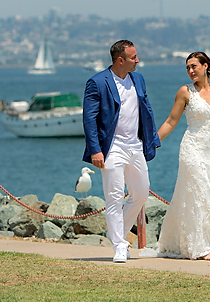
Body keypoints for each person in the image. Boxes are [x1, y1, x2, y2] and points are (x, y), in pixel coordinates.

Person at [155, 52, 210, 260]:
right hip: (191, 149)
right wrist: (152, 142)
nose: (190, 71)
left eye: (194, 66)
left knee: (209, 195)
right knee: (198, 194)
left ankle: (202, 242)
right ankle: (200, 247)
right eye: (187, 68)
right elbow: (171, 121)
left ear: (206, 66)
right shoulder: (185, 92)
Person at [82, 39, 161, 263]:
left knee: (142, 192)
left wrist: (151, 139)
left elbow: (146, 110)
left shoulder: (139, 79)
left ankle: (119, 235)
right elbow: (89, 119)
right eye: (133, 57)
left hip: (135, 144)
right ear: (120, 60)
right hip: (112, 147)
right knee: (114, 196)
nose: (138, 60)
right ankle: (119, 245)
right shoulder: (96, 82)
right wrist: (95, 150)